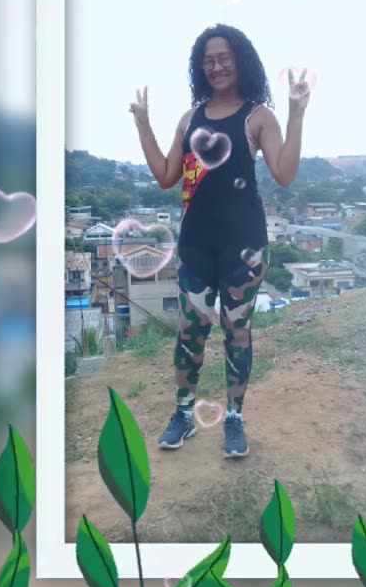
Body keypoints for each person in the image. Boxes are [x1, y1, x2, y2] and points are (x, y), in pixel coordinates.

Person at [130, 23, 310, 458]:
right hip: (196, 245)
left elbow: (285, 174)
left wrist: (296, 112)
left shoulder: (258, 117)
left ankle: (234, 418)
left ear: (240, 61)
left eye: (224, 58)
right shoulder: (189, 119)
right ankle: (183, 414)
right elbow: (166, 176)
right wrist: (143, 124)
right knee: (189, 333)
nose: (216, 66)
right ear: (200, 67)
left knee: (236, 333)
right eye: (208, 60)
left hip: (244, 247)